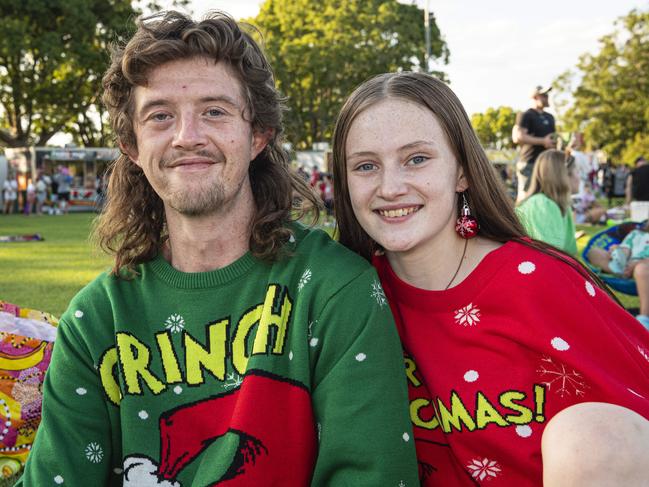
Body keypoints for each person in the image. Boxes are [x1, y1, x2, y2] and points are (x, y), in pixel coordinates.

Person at [17, 11, 418, 486]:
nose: (188, 137)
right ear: (131, 145)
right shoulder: (97, 319)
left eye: (214, 111)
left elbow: (371, 474)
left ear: (258, 135)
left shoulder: (333, 289)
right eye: (160, 116)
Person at [332, 71, 649, 486]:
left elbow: (627, 426)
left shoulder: (539, 282)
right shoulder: (345, 298)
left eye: (417, 159)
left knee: (594, 438)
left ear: (461, 171)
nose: (390, 186)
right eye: (366, 165)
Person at [515, 149, 579, 255]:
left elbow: (570, 254)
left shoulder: (560, 206)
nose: (579, 177)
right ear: (564, 175)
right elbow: (549, 258)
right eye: (577, 171)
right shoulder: (542, 205)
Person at [588, 222, 649, 330]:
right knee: (594, 252)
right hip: (627, 263)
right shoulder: (636, 234)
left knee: (642, 268)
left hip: (644, 268)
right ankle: (619, 269)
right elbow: (626, 248)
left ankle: (644, 317)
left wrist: (638, 263)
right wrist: (618, 251)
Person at [512, 85, 556, 201]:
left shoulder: (550, 117)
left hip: (546, 163)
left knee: (544, 196)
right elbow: (518, 137)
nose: (547, 98)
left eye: (547, 95)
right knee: (525, 195)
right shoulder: (526, 115)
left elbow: (551, 139)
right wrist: (543, 141)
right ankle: (518, 219)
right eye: (544, 95)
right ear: (535, 97)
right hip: (529, 162)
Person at [625, 156, 649, 221]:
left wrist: (628, 203)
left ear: (637, 164)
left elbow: (628, 187)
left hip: (639, 202)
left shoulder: (634, 172)